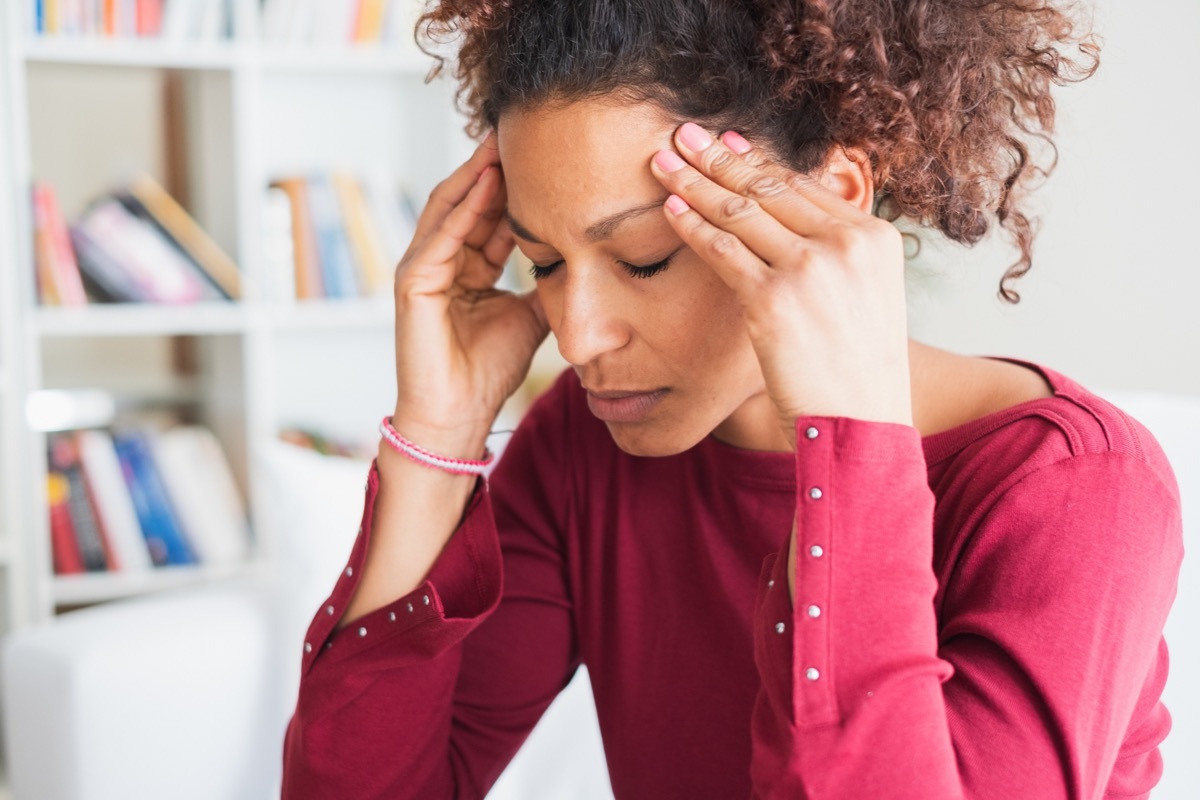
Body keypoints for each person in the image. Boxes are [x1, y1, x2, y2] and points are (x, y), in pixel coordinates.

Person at [281, 1, 1184, 797]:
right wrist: (435, 441)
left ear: (829, 203)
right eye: (545, 263)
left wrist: (850, 447)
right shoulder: (585, 447)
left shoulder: (1069, 488)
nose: (579, 333)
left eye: (643, 258)